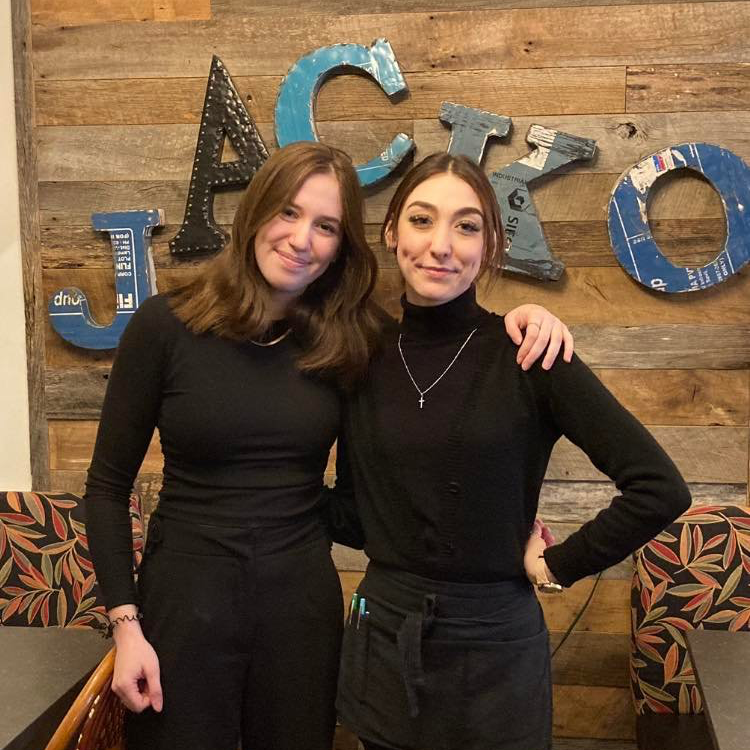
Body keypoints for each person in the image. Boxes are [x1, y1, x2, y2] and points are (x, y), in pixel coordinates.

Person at [84, 141, 574, 750]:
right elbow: (106, 486)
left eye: (326, 226)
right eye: (288, 213)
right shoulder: (166, 324)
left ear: (342, 245)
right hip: (183, 599)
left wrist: (525, 319)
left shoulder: (354, 338)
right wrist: (125, 624)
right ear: (255, 212)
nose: (301, 239)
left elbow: (436, 413)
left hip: (299, 605)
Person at [329, 152, 692, 750]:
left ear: (491, 244)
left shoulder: (528, 351)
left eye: (467, 226)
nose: (441, 245)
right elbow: (352, 514)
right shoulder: (362, 355)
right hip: (384, 640)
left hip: (495, 652)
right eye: (421, 220)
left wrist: (557, 565)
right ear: (392, 232)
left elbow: (660, 487)